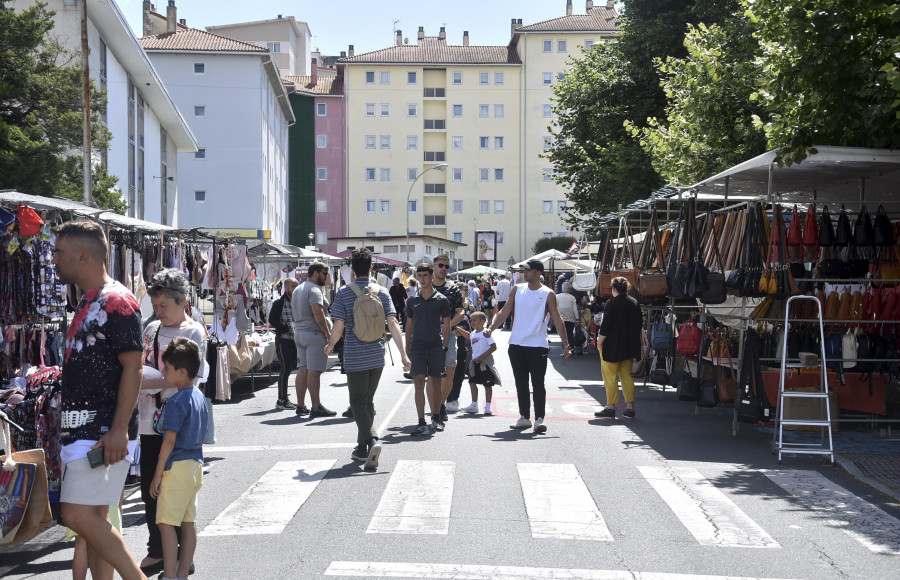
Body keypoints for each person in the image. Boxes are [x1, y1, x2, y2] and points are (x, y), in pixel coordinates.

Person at [51, 220, 147, 580]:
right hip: (85, 430)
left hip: (102, 431)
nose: (54, 260)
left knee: (77, 515)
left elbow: (134, 367)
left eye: (59, 253)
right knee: (95, 520)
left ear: (82, 255)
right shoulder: (88, 300)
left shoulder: (117, 300)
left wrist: (119, 429)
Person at [137, 269, 207, 576]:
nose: (158, 311)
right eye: (155, 304)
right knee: (148, 492)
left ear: (181, 301)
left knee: (171, 496)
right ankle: (158, 550)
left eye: (164, 305)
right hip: (146, 418)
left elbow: (192, 377)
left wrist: (151, 380)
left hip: (175, 424)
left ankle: (178, 559)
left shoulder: (193, 332)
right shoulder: (151, 327)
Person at [326, 249, 410, 469]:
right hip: (377, 355)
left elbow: (338, 326)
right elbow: (393, 324)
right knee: (367, 401)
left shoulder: (344, 293)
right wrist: (403, 354)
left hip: (355, 356)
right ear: (371, 268)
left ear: (352, 270)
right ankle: (362, 448)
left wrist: (330, 345)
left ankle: (372, 439)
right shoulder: (382, 292)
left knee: (356, 402)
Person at [486, 259, 571, 434]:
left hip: (538, 345)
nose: (525, 273)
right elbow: (504, 312)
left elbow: (557, 319)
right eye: (524, 270)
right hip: (516, 344)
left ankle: (539, 419)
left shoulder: (548, 294)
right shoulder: (517, 289)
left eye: (529, 270)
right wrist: (491, 328)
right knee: (521, 383)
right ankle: (524, 417)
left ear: (538, 273)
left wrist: (566, 344)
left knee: (538, 383)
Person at [149, 337, 209, 580]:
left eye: (167, 368)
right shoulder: (200, 398)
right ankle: (182, 574)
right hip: (195, 465)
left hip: (177, 467)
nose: (163, 371)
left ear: (182, 372)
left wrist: (157, 474)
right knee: (188, 522)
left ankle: (170, 575)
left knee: (165, 523)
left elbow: (169, 441)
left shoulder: (176, 401)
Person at [405, 263, 452, 435]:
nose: (422, 279)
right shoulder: (412, 300)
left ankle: (436, 417)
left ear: (432, 276)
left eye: (425, 275)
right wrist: (406, 351)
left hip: (435, 346)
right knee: (418, 382)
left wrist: (445, 347)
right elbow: (408, 327)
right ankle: (420, 421)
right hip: (417, 347)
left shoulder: (442, 300)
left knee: (435, 382)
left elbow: (447, 327)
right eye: (420, 275)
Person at [594, 277, 643, 419]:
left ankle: (610, 408)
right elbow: (639, 324)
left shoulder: (611, 303)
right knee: (626, 377)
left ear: (614, 289)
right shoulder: (634, 302)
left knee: (610, 378)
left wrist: (599, 342)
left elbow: (606, 325)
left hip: (612, 346)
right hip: (628, 346)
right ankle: (630, 408)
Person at [291, 262, 336, 417]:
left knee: (303, 369)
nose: (326, 277)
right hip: (314, 334)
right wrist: (328, 335)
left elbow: (294, 312)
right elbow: (318, 313)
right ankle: (316, 407)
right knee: (314, 372)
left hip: (300, 333)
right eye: (325, 273)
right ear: (316, 273)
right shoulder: (314, 290)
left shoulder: (297, 289)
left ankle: (301, 405)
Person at [431, 254, 465, 417]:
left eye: (446, 266)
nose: (444, 269)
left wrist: (448, 325)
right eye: (441, 265)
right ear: (434, 267)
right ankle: (434, 407)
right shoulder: (425, 287)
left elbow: (461, 312)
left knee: (450, 372)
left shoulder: (453, 288)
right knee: (432, 375)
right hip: (428, 336)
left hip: (449, 336)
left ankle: (441, 404)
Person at [457, 312, 500, 415]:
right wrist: (458, 329)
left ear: (482, 321)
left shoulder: (486, 333)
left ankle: (488, 406)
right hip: (475, 361)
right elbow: (468, 335)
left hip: (485, 362)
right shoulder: (473, 334)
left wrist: (482, 356)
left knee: (487, 384)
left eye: (474, 320)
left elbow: (493, 347)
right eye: (471, 321)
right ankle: (474, 404)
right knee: (472, 382)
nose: (472, 323)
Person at [268, 278, 299, 410]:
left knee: (290, 367)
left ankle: (284, 397)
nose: (295, 288)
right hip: (283, 339)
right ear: (286, 287)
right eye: (293, 286)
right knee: (285, 369)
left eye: (297, 286)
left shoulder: (297, 301)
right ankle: (282, 399)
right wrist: (284, 328)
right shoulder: (279, 303)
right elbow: (272, 320)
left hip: (295, 340)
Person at [556, 282, 579, 358]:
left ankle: (565, 350)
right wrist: (577, 318)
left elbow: (555, 308)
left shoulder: (557, 297)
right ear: (569, 289)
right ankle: (571, 349)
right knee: (570, 334)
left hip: (560, 318)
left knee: (563, 334)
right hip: (570, 318)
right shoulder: (572, 297)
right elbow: (575, 309)